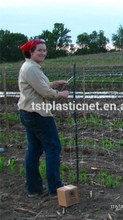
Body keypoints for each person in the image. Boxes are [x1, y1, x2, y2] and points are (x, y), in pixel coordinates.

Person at [18, 39, 69, 197]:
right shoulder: (31, 68)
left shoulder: (31, 67)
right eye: (39, 50)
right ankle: (55, 188)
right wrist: (60, 94)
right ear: (31, 52)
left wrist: (54, 83)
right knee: (53, 148)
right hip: (39, 115)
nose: (43, 53)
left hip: (28, 112)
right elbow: (44, 92)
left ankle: (34, 188)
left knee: (34, 149)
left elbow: (41, 85)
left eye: (44, 50)